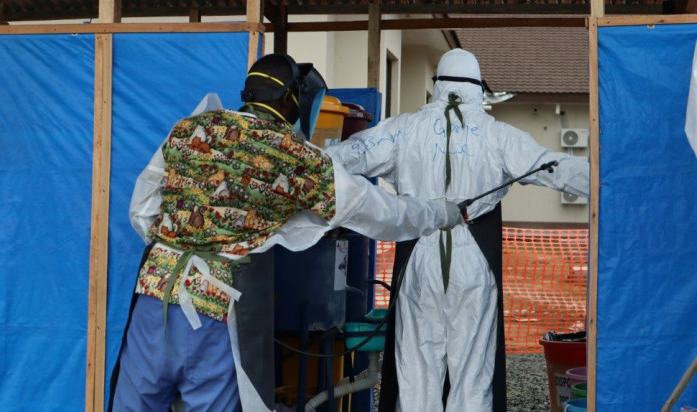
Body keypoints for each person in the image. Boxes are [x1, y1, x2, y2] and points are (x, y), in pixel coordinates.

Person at [110, 53, 465, 412]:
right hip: (214, 309)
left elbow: (142, 209)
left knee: (133, 404)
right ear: (289, 98)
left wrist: (180, 246)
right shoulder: (296, 156)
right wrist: (441, 213)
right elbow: (379, 212)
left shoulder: (190, 128)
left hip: (154, 300)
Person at [325, 48, 590, 411]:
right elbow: (554, 168)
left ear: (439, 85)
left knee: (416, 370)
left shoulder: (403, 129)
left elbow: (345, 157)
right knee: (472, 372)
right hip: (473, 262)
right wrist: (608, 178)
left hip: (420, 255)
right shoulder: (497, 134)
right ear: (477, 87)